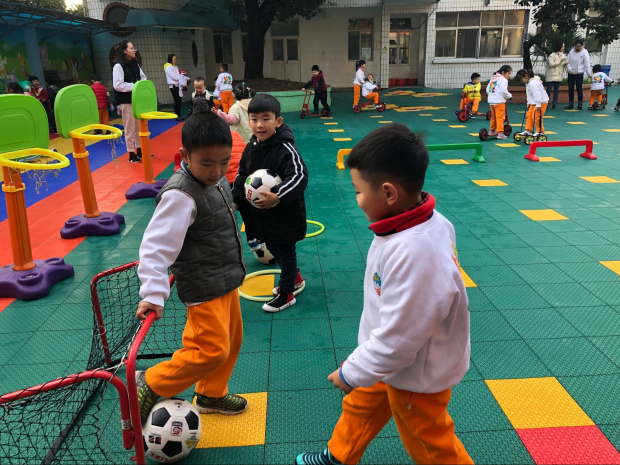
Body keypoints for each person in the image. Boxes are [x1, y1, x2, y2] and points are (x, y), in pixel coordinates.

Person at [296, 124, 473, 465]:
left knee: (428, 441)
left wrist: (353, 372)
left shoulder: (416, 252)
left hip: (415, 371)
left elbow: (400, 337)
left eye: (358, 191)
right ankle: (339, 456)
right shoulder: (426, 222)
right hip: (387, 358)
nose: (357, 199)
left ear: (389, 193)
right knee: (361, 406)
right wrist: (369, 362)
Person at [134, 111, 248, 424]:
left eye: (223, 162)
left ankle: (211, 393)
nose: (217, 171)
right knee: (210, 349)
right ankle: (152, 383)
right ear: (185, 156)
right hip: (203, 284)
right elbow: (156, 247)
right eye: (207, 163)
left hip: (226, 279)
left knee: (232, 341)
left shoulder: (217, 179)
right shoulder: (180, 195)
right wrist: (153, 293)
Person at [232, 94, 308, 313]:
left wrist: (278, 195)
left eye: (266, 119)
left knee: (285, 251)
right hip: (263, 216)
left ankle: (286, 293)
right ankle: (294, 278)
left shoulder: (286, 148)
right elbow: (242, 175)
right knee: (273, 247)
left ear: (278, 121)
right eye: (254, 119)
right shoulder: (251, 147)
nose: (259, 125)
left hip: (285, 214)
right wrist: (235, 199)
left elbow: (299, 175)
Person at [113, 40, 146, 163]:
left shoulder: (135, 64)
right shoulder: (118, 66)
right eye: (131, 48)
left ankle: (140, 150)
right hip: (126, 101)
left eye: (134, 47)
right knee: (129, 128)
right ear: (124, 51)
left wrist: (142, 86)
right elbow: (117, 85)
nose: (134, 50)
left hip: (137, 100)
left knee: (139, 127)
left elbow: (143, 78)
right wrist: (134, 86)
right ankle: (131, 153)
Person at [515, 69, 549, 137]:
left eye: (521, 79)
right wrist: (529, 102)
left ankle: (540, 131)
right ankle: (528, 130)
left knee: (537, 117)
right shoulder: (528, 83)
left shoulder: (533, 83)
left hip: (541, 102)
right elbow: (529, 93)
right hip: (533, 102)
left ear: (526, 76)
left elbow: (537, 94)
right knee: (529, 115)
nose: (522, 81)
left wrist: (538, 105)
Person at [486, 65, 513, 139]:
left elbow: (487, 89)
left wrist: (492, 95)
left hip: (491, 101)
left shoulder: (493, 79)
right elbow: (503, 91)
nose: (509, 75)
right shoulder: (503, 80)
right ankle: (500, 133)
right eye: (508, 73)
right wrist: (509, 96)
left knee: (493, 117)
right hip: (499, 101)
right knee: (500, 117)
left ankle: (492, 130)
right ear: (503, 72)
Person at [565, 39, 591, 110]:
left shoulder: (584, 52)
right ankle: (570, 103)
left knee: (579, 88)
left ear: (582, 46)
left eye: (579, 46)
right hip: (571, 73)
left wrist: (589, 74)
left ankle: (580, 104)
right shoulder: (571, 51)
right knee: (570, 88)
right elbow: (567, 61)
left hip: (579, 73)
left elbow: (586, 63)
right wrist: (569, 69)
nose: (578, 48)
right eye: (577, 46)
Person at [545, 41, 567, 109]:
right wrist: (560, 61)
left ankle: (554, 103)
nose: (563, 48)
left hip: (559, 75)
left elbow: (561, 65)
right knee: (548, 90)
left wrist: (564, 64)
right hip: (551, 75)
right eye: (562, 46)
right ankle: (546, 103)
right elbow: (551, 64)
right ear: (559, 47)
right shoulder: (552, 55)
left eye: (564, 46)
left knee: (556, 91)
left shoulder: (563, 55)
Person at [164, 53, 184, 121]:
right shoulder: (168, 67)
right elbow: (173, 77)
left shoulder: (175, 67)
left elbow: (177, 75)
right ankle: (177, 115)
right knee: (177, 100)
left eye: (176, 59)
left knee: (179, 100)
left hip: (178, 85)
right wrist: (181, 77)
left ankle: (178, 115)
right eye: (174, 59)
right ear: (171, 59)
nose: (175, 60)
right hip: (173, 85)